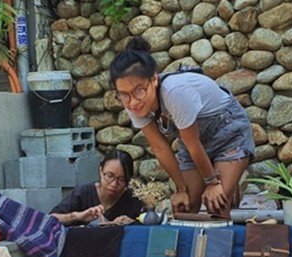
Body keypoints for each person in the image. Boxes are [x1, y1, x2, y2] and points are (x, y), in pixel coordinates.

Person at [110, 37, 255, 219]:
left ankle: (219, 236)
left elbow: (193, 143)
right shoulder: (133, 103)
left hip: (227, 132)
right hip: (193, 144)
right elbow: (160, 147)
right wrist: (180, 189)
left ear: (154, 79)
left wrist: (212, 183)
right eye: (123, 95)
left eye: (139, 90)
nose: (132, 101)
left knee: (217, 204)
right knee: (183, 208)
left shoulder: (174, 92)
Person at [50, 149, 143, 225]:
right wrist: (78, 216)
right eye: (109, 176)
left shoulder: (132, 199)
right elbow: (50, 219)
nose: (114, 184)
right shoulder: (83, 192)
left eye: (121, 179)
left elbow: (148, 224)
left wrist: (132, 223)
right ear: (100, 171)